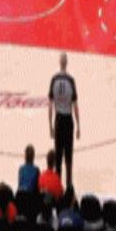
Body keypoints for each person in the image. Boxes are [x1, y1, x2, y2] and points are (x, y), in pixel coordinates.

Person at [48, 52, 81, 188]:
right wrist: (78, 125)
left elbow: (50, 105)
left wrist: (50, 125)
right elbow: (75, 105)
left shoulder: (54, 79)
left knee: (58, 156)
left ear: (59, 62)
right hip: (68, 119)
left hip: (58, 119)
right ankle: (69, 185)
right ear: (66, 63)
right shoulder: (71, 80)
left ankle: (57, 185)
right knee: (68, 156)